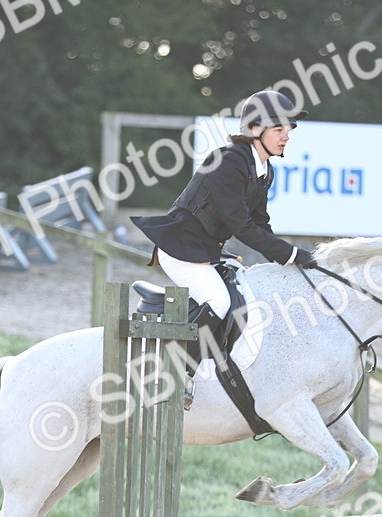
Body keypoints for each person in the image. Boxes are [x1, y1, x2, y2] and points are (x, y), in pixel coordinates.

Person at [132, 89, 318, 408]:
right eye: (279, 129)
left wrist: (287, 259)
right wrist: (288, 254)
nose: (287, 136)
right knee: (218, 301)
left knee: (246, 291)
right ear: (255, 129)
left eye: (289, 130)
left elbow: (260, 223)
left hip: (206, 251)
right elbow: (239, 225)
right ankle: (179, 373)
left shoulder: (263, 170)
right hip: (180, 247)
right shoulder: (229, 161)